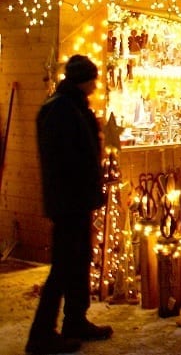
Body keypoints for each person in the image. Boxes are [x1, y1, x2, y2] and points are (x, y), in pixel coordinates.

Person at [26, 55, 113, 354]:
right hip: (69, 200)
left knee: (79, 261)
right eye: (93, 78)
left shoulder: (72, 106)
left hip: (76, 198)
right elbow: (65, 158)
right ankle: (41, 332)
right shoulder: (62, 109)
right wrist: (79, 188)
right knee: (64, 265)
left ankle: (75, 319)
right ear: (83, 79)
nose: (96, 83)